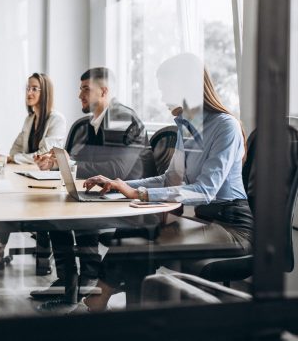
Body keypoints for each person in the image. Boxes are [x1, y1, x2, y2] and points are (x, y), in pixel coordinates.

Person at [77, 53, 252, 313]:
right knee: (132, 232)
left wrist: (140, 193)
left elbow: (205, 190)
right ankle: (111, 306)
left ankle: (102, 302)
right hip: (205, 221)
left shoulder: (225, 127)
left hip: (233, 227)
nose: (162, 97)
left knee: (141, 241)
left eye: (166, 89)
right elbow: (169, 178)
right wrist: (120, 184)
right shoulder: (187, 127)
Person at [31, 67, 149, 310]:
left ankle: (86, 279)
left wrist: (71, 164)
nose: (79, 95)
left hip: (128, 195)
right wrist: (53, 162)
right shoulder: (87, 124)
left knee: (60, 211)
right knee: (51, 208)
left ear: (104, 91)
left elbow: (118, 170)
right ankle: (69, 280)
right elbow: (77, 162)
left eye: (86, 89)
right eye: (80, 88)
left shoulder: (121, 117)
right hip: (101, 192)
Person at [0, 72, 66, 271]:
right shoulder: (30, 119)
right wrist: (16, 157)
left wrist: (16, 158)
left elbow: (42, 155)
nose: (28, 92)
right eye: (27, 88)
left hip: (48, 181)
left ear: (45, 92)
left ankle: (42, 254)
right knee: (7, 198)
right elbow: (15, 149)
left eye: (34, 88)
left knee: (17, 200)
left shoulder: (57, 119)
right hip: (29, 176)